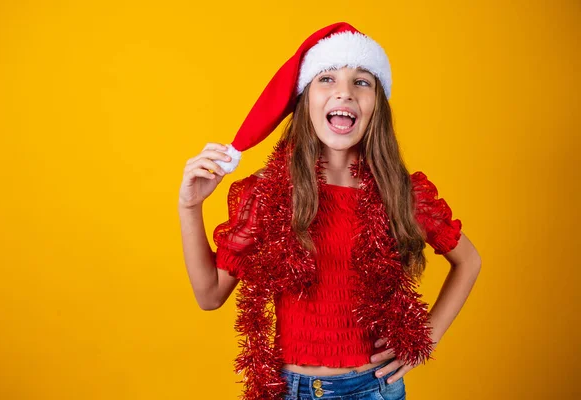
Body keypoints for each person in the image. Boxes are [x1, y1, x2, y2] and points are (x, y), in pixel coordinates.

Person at [178, 22, 481, 400]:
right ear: (305, 99)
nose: (344, 92)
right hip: (292, 390)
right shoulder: (269, 192)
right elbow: (209, 296)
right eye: (326, 79)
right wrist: (190, 206)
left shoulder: (401, 191)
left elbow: (469, 260)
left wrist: (424, 339)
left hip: (375, 388)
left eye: (361, 81)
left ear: (377, 106)